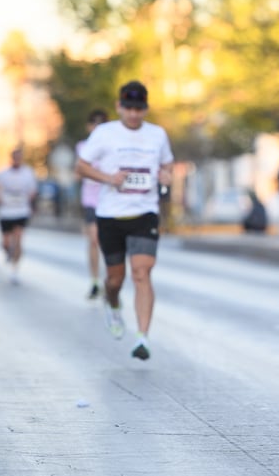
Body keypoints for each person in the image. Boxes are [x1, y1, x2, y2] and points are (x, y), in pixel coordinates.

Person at [76, 81, 174, 361]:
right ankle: (113, 302)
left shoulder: (157, 135)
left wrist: (166, 175)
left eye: (139, 109)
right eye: (128, 108)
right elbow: (80, 167)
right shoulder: (105, 134)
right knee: (115, 279)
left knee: (142, 272)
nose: (133, 114)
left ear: (145, 109)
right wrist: (109, 179)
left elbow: (166, 164)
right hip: (110, 216)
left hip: (145, 213)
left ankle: (142, 337)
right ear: (119, 107)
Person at [0, 147, 38, 285]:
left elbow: (33, 190)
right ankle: (8, 252)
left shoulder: (28, 172)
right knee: (6, 242)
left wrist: (29, 199)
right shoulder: (3, 172)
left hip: (21, 210)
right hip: (6, 211)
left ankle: (14, 270)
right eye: (15, 157)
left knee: (18, 238)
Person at [76, 109, 109, 299]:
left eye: (101, 124)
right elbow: (78, 171)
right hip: (91, 201)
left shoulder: (112, 146)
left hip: (110, 200)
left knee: (109, 244)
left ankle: (110, 280)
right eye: (94, 123)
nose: (97, 128)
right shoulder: (82, 147)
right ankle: (95, 280)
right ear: (89, 126)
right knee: (94, 240)